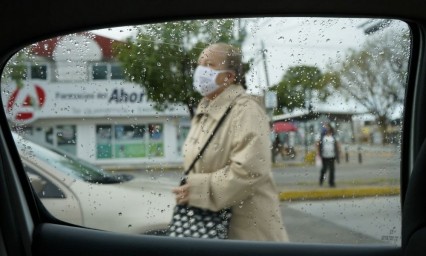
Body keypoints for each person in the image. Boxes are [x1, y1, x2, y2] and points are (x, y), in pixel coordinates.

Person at [171, 42, 288, 242]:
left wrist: (197, 190)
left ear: (229, 76)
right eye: (199, 65)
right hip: (211, 227)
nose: (201, 71)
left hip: (247, 235)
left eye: (209, 65)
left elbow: (249, 170)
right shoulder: (206, 111)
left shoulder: (245, 110)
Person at [316, 123, 341, 187]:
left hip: (332, 155)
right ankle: (321, 181)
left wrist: (339, 152)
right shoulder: (322, 135)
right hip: (324, 155)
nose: (326, 128)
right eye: (325, 127)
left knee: (332, 169)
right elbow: (318, 144)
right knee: (324, 169)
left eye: (327, 127)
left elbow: (337, 144)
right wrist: (318, 152)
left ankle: (331, 183)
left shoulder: (334, 135)